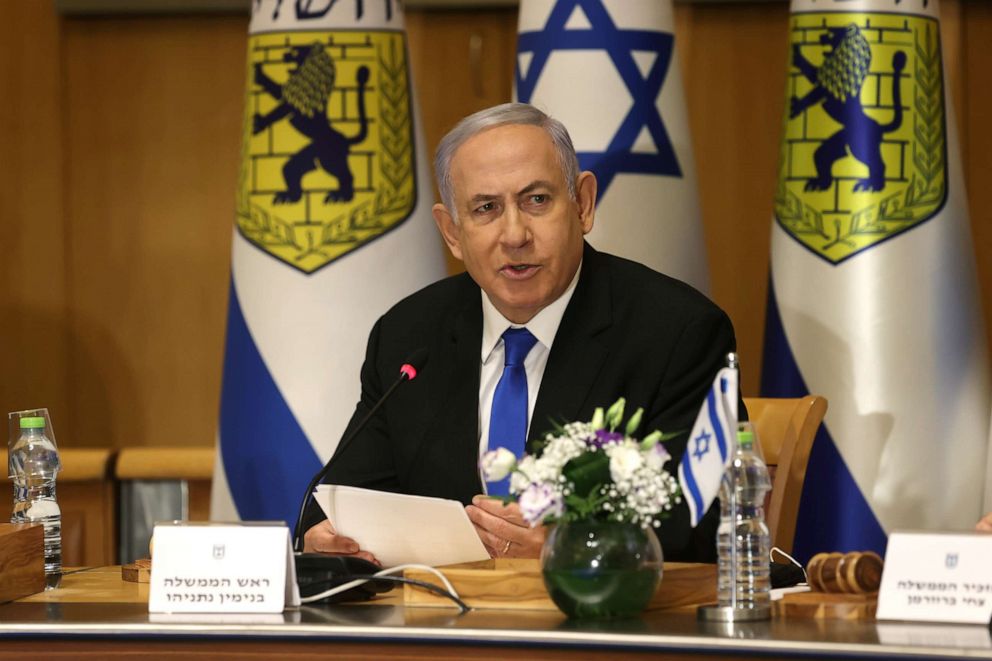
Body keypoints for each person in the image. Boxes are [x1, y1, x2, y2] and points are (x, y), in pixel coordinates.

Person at [302, 102, 737, 563]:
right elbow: (341, 496)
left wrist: (574, 547)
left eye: (536, 200)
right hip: (442, 627)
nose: (514, 235)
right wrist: (322, 534)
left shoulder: (677, 332)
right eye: (486, 208)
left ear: (583, 204)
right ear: (452, 232)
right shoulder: (411, 335)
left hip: (602, 624)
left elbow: (706, 520)